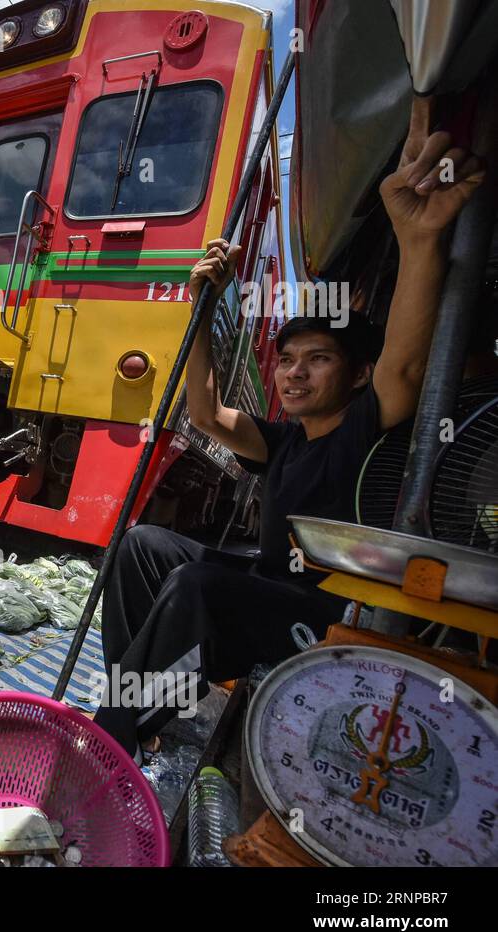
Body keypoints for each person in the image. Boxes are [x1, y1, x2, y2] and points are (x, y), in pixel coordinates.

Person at [92, 96, 486, 761]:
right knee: (141, 547)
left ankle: (112, 739)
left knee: (197, 585)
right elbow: (206, 415)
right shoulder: (286, 439)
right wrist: (203, 304)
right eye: (289, 362)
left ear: (356, 373)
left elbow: (410, 364)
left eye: (319, 360)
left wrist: (420, 239)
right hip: (266, 589)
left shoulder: (368, 426)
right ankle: (139, 706)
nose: (295, 376)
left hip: (318, 616)